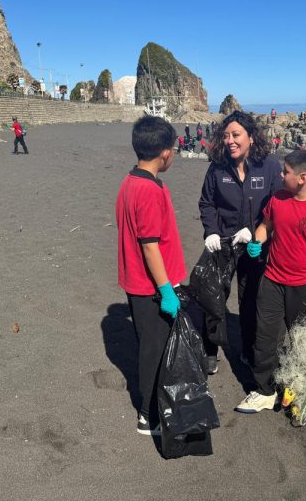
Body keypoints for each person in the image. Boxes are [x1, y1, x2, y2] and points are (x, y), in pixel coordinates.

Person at [236, 150, 306, 413]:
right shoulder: (278, 198)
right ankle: (265, 391)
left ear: (303, 177)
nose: (281, 175)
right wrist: (258, 241)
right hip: (272, 279)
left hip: (304, 285)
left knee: (300, 339)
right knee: (265, 336)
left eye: (286, 172)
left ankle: (299, 386)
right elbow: (266, 226)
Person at [116, 116, 186, 436]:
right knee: (154, 350)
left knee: (152, 344)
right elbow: (149, 245)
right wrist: (166, 289)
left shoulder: (132, 181)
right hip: (150, 287)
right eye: (174, 150)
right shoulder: (147, 190)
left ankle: (152, 406)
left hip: (142, 282)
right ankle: (148, 415)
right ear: (165, 153)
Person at [198, 110, 283, 374]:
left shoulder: (269, 167)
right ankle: (210, 350)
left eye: (236, 135)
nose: (230, 141)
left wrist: (255, 232)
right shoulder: (218, 167)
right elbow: (207, 203)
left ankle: (248, 349)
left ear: (251, 137)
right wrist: (211, 231)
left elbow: (278, 206)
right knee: (213, 298)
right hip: (222, 243)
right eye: (226, 136)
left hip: (254, 246)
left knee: (250, 301)